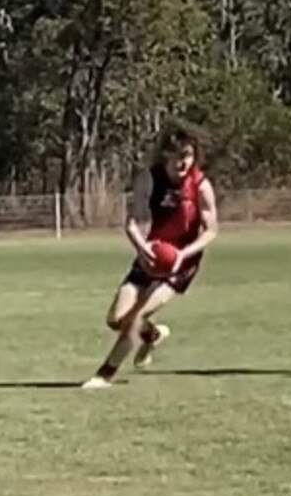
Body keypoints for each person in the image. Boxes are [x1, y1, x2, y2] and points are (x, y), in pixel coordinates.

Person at [82, 124, 218, 389]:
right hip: (152, 253)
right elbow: (132, 222)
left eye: (188, 155)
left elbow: (211, 231)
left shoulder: (200, 186)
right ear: (166, 154)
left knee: (135, 318)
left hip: (183, 263)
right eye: (178, 155)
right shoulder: (149, 179)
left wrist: (182, 254)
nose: (183, 162)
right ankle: (153, 335)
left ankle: (105, 374)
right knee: (116, 319)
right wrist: (142, 248)